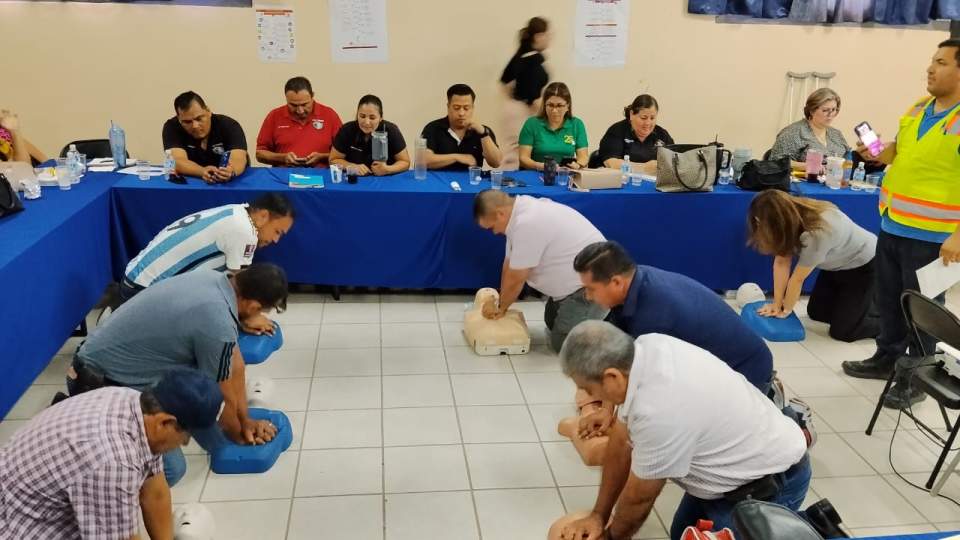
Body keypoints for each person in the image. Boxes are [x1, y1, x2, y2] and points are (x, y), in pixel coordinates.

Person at [557, 321, 810, 540]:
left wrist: (609, 537)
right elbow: (621, 442)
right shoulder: (645, 350)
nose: (589, 396)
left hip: (767, 485)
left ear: (612, 377)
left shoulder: (660, 410)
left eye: (589, 389)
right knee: (681, 532)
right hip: (725, 477)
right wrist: (599, 515)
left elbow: (639, 499)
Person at [68, 264, 288, 486]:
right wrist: (240, 434)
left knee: (203, 399)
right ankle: (92, 479)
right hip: (99, 383)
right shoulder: (217, 321)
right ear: (252, 305)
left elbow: (235, 365)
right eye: (260, 311)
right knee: (172, 471)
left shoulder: (213, 279)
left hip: (101, 360)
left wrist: (245, 419)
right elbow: (219, 394)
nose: (259, 316)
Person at [842, 39, 960, 409]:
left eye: (941, 62)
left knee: (923, 308)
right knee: (889, 300)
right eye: (932, 60)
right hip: (893, 224)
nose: (930, 68)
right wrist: (876, 151)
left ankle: (917, 376)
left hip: (935, 236)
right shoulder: (919, 107)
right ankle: (886, 358)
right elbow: (901, 152)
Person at [0, 371, 222, 539]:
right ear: (165, 422)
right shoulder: (113, 461)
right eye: (186, 437)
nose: (184, 444)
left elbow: (154, 493)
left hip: (29, 501)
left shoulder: (134, 404)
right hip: (16, 526)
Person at [120, 193, 294, 333]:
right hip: (143, 294)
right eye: (277, 231)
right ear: (263, 216)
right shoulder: (244, 232)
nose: (276, 240)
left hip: (133, 279)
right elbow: (241, 289)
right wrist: (250, 317)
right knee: (216, 327)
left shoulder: (237, 211)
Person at [473, 190, 607, 351]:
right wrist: (500, 301)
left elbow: (516, 278)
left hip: (594, 288)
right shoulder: (518, 214)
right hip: (576, 286)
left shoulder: (527, 223)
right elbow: (509, 265)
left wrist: (500, 308)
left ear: (500, 213)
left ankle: (609, 331)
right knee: (551, 320)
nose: (494, 232)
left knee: (564, 346)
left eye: (492, 227)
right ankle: (593, 318)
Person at [747, 190, 879, 342]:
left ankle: (893, 323)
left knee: (844, 332)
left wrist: (785, 311)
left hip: (864, 265)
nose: (758, 226)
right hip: (835, 265)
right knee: (817, 313)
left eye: (760, 222)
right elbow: (781, 262)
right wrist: (776, 304)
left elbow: (797, 279)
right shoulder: (790, 217)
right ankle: (862, 305)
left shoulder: (817, 231)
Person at [162, 91, 249, 184]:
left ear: (208, 111)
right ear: (179, 119)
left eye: (199, 118)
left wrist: (230, 171)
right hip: (194, 182)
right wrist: (202, 171)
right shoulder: (172, 127)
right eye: (187, 122)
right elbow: (177, 161)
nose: (195, 126)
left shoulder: (229, 125)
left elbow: (239, 157)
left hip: (231, 183)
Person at [256, 76, 342, 168]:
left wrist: (321, 157)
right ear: (286, 98)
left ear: (312, 95)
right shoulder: (274, 116)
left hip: (321, 174)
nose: (300, 111)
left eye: (304, 104)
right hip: (283, 174)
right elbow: (260, 154)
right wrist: (282, 158)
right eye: (293, 105)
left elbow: (344, 154)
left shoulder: (330, 115)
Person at [500, 16, 550, 170]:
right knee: (517, 153)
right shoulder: (532, 60)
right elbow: (533, 98)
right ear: (538, 36)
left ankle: (511, 179)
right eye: (547, 35)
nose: (549, 39)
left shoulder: (521, 55)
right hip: (521, 111)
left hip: (514, 109)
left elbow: (504, 81)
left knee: (515, 151)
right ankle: (510, 182)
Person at [420, 84, 502, 171]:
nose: (461, 113)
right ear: (448, 106)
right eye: (456, 108)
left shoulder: (483, 131)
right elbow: (422, 161)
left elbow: (496, 163)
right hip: (438, 178)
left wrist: (483, 134)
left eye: (466, 108)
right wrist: (457, 157)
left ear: (472, 108)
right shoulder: (433, 128)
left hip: (471, 178)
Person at [329, 94, 410, 176]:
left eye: (372, 118)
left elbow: (405, 162)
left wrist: (387, 169)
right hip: (356, 179)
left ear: (381, 118)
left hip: (385, 179)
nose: (366, 122)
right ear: (357, 115)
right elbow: (333, 160)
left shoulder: (391, 130)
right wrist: (351, 166)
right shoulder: (347, 130)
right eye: (362, 116)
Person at [769, 88, 850, 168]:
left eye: (834, 110)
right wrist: (808, 166)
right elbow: (776, 162)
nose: (830, 114)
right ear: (812, 111)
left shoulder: (836, 134)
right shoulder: (793, 132)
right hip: (804, 176)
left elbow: (848, 158)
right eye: (825, 110)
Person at [518, 82, 589, 171]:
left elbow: (583, 157)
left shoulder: (576, 124)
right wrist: (540, 166)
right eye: (550, 105)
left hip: (564, 174)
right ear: (545, 105)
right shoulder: (532, 124)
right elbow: (523, 158)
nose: (554, 110)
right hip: (536, 173)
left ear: (567, 106)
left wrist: (578, 165)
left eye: (559, 105)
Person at [596, 94, 674, 174]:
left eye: (652, 118)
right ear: (631, 114)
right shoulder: (617, 131)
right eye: (643, 118)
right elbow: (611, 163)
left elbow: (674, 163)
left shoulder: (662, 135)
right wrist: (644, 168)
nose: (648, 123)